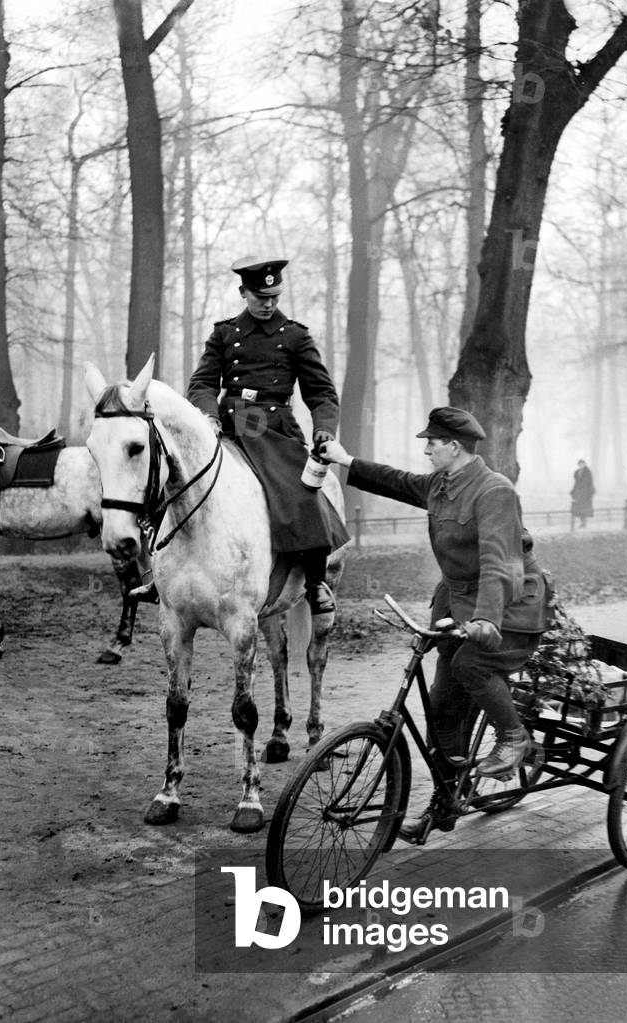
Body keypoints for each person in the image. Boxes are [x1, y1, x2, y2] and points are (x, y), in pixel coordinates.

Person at [321, 407, 551, 843]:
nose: (426, 449)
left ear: (455, 447)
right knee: (442, 712)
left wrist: (485, 617)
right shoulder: (441, 486)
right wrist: (344, 460)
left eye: (433, 442)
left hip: (511, 610)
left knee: (471, 667)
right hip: (459, 606)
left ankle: (513, 736)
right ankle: (443, 805)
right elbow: (396, 480)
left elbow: (500, 563)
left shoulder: (493, 491)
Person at [186, 257, 348, 615]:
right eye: (260, 296)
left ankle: (315, 581)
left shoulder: (294, 336)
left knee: (304, 494)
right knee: (180, 482)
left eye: (274, 296)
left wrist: (323, 428)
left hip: (273, 428)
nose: (268, 303)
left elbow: (321, 393)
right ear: (244, 292)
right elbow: (202, 383)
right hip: (228, 425)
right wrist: (208, 417)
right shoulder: (224, 333)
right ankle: (167, 572)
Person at [570, 459, 595, 529]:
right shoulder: (577, 472)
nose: (581, 465)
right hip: (578, 493)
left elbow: (589, 483)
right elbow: (576, 483)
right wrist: (573, 491)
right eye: (579, 464)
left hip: (586, 493)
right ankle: (582, 523)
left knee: (584, 508)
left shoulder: (588, 472)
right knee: (579, 509)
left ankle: (584, 523)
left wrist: (590, 492)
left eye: (582, 464)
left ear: (584, 464)